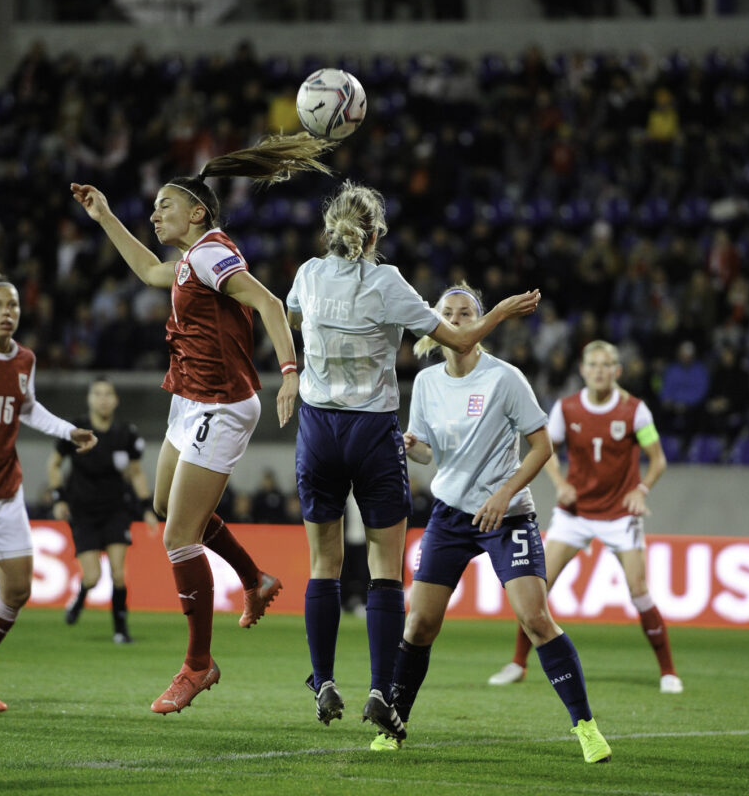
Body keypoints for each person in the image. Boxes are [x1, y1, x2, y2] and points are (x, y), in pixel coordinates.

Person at [70, 131, 335, 715]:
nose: (155, 213)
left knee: (176, 537)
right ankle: (255, 577)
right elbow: (145, 271)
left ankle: (198, 664)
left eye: (164, 205)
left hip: (221, 405)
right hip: (188, 399)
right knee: (167, 509)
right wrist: (106, 216)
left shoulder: (213, 252)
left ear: (196, 212)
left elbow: (267, 303)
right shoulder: (192, 259)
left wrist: (290, 372)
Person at [286, 181, 541, 741]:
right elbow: (461, 335)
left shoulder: (306, 274)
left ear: (332, 231)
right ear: (375, 234)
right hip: (373, 429)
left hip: (318, 427)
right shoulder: (388, 282)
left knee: (323, 565)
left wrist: (290, 372)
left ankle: (324, 678)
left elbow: (290, 317)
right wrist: (498, 310)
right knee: (384, 569)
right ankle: (381, 689)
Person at [371, 284, 611, 763]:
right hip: (451, 515)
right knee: (418, 625)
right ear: (434, 325)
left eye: (466, 313)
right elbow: (429, 453)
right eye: (449, 314)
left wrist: (504, 494)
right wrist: (408, 444)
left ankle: (586, 726)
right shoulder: (426, 383)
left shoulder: (505, 379)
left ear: (480, 323)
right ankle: (394, 726)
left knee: (536, 618)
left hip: (508, 515)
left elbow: (541, 447)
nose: (457, 320)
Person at [488, 340, 683, 695]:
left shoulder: (635, 410)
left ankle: (668, 671)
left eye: (606, 365)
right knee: (536, 588)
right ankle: (518, 663)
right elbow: (546, 451)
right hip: (574, 514)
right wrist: (560, 483)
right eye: (592, 365)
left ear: (617, 371)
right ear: (583, 370)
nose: (599, 370)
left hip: (619, 513)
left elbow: (659, 460)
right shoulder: (566, 408)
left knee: (639, 591)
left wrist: (641, 490)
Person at [0, 267, 97, 712]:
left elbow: (28, 408)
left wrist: (69, 430)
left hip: (4, 489)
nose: (6, 312)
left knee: (16, 589)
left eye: (12, 304)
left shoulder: (24, 361)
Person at [47, 377, 159, 643]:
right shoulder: (76, 430)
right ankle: (81, 596)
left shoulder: (125, 434)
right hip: (83, 511)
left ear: (116, 400)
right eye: (97, 394)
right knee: (93, 577)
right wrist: (59, 498)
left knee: (119, 573)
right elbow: (53, 465)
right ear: (90, 399)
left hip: (116, 510)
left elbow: (135, 472)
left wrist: (146, 507)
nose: (103, 399)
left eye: (108, 394)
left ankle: (120, 630)